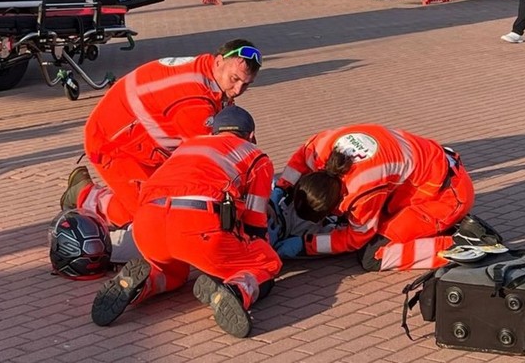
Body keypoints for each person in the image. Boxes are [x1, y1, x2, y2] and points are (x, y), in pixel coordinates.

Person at [90, 106, 282, 338]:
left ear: (213, 132)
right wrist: (258, 248)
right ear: (251, 135)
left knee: (174, 274)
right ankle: (235, 290)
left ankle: (143, 285)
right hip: (197, 225)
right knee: (267, 262)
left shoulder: (188, 146)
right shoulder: (256, 156)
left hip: (147, 223)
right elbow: (255, 220)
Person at [60, 39, 263, 229]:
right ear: (218, 62)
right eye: (235, 79)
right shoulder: (194, 99)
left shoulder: (210, 75)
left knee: (165, 204)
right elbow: (206, 162)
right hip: (114, 144)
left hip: (143, 142)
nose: (238, 89)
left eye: (246, 84)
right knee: (148, 214)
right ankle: (85, 196)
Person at [268, 124, 500, 272]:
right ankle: (447, 228)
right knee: (368, 225)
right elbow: (300, 159)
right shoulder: (321, 148)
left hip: (446, 197)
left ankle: (465, 243)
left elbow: (355, 238)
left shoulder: (361, 190)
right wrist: (282, 187)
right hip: (435, 174)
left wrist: (306, 245)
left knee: (374, 256)